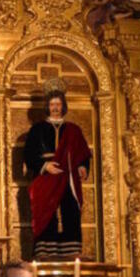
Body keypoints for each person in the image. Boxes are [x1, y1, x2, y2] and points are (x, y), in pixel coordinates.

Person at [24, 82, 91, 260]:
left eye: (58, 104)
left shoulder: (73, 130)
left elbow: (83, 153)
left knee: (70, 210)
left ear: (63, 106)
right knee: (46, 211)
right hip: (46, 177)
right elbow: (28, 154)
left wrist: (83, 166)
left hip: (67, 176)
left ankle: (71, 251)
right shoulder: (36, 130)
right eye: (52, 104)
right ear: (47, 106)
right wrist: (45, 166)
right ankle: (46, 251)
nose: (55, 108)